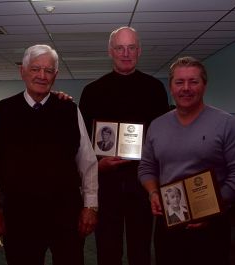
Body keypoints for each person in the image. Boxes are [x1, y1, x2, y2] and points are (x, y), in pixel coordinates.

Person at [0, 44, 98, 265]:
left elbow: (88, 162)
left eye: (48, 70)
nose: (42, 76)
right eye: (35, 69)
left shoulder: (69, 110)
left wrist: (90, 206)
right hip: (19, 214)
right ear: (22, 71)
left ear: (56, 75)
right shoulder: (3, 110)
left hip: (66, 213)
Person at [138, 56, 235, 265]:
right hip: (169, 221)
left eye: (193, 81)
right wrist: (153, 193)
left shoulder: (227, 124)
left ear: (204, 85)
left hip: (212, 223)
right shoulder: (157, 125)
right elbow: (147, 166)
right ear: (171, 87)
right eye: (179, 82)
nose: (186, 88)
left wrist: (211, 207)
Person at [79, 26, 169, 265]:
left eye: (131, 48)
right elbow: (84, 143)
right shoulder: (92, 91)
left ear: (139, 51)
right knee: (107, 250)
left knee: (141, 250)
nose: (126, 53)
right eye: (120, 48)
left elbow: (161, 138)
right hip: (106, 186)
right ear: (111, 51)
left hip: (142, 184)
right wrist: (99, 164)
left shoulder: (155, 89)